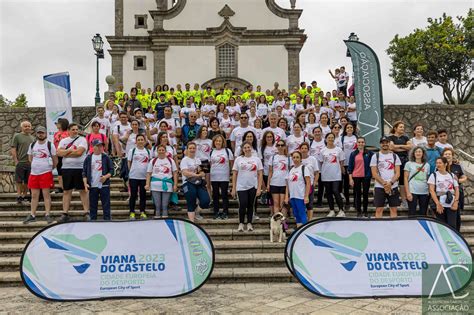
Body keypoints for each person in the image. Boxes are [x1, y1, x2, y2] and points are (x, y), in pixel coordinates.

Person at [23, 126, 57, 224]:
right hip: (34, 173)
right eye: (39, 133)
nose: (40, 134)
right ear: (36, 134)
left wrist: (49, 168)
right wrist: (36, 166)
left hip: (45, 173)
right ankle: (32, 215)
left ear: (45, 134)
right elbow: (30, 158)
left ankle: (47, 214)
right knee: (34, 195)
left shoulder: (50, 145)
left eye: (42, 133)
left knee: (46, 195)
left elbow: (55, 160)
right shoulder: (32, 144)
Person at [57, 123, 90, 222]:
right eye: (73, 129)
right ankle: (65, 213)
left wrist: (66, 153)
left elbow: (79, 153)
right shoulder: (63, 140)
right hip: (66, 168)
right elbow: (58, 153)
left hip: (80, 168)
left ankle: (86, 212)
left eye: (76, 129)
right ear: (68, 130)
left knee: (83, 191)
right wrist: (70, 151)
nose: (75, 131)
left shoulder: (82, 140)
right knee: (67, 191)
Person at [232, 141, 263, 232]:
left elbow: (260, 174)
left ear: (251, 148)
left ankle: (249, 223)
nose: (247, 149)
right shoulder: (238, 159)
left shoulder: (257, 159)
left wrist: (259, 188)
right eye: (245, 147)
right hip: (241, 186)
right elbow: (234, 174)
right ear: (242, 149)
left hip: (253, 186)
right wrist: (234, 188)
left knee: (250, 205)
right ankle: (241, 223)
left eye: (248, 147)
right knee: (243, 204)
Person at [370, 136, 402, 218]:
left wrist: (390, 183)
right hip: (379, 187)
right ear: (380, 144)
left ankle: (393, 229)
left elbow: (397, 173)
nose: (385, 144)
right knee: (379, 210)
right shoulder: (375, 156)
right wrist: (385, 184)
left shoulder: (395, 156)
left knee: (393, 209)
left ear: (389, 143)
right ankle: (379, 229)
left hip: (393, 186)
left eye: (386, 142)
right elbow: (374, 173)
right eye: (383, 143)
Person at [82, 139, 112, 221]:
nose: (99, 147)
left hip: (104, 185)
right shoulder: (88, 158)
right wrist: (85, 184)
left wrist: (105, 177)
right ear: (93, 146)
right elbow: (84, 172)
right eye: (97, 146)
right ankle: (93, 222)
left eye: (101, 146)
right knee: (93, 206)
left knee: (106, 205)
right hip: (92, 186)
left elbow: (112, 170)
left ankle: (107, 221)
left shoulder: (106, 157)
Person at [145, 144, 178, 218]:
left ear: (166, 151)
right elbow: (149, 173)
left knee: (165, 205)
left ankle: (165, 219)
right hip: (155, 185)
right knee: (157, 205)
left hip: (167, 184)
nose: (161, 151)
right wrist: (147, 184)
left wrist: (175, 184)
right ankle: (157, 220)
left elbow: (175, 173)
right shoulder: (153, 161)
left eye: (163, 150)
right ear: (157, 151)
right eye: (159, 150)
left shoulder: (170, 160)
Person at [180, 142, 210, 222]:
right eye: (190, 148)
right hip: (188, 183)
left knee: (206, 201)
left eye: (193, 148)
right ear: (187, 149)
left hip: (198, 183)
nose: (192, 150)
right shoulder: (184, 160)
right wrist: (196, 175)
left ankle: (196, 212)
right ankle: (192, 222)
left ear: (196, 149)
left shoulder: (198, 160)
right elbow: (185, 173)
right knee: (191, 202)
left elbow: (201, 171)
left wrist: (202, 173)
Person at [428, 157, 460, 230]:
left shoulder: (452, 175)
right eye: (437, 163)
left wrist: (456, 202)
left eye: (440, 163)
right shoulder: (433, 175)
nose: (438, 165)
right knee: (441, 226)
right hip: (440, 203)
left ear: (445, 164)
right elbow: (431, 190)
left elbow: (457, 189)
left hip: (451, 203)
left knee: (452, 226)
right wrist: (437, 204)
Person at [319, 133, 345, 217]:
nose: (330, 139)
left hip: (336, 174)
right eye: (329, 137)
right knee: (329, 192)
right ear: (326, 139)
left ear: (334, 139)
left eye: (332, 137)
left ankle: (341, 210)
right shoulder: (322, 151)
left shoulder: (339, 150)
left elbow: (341, 162)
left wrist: (342, 171)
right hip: (326, 174)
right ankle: (332, 210)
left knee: (335, 191)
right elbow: (321, 162)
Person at [209, 134, 234, 219]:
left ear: (223, 141)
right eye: (216, 141)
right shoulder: (211, 151)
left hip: (224, 177)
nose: (218, 142)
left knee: (224, 195)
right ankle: (216, 212)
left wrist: (231, 173)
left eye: (220, 141)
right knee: (215, 195)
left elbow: (232, 164)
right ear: (214, 142)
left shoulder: (227, 151)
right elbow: (210, 164)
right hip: (214, 177)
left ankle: (225, 212)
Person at [388, 121, 412, 207]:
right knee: (392, 180)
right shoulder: (390, 137)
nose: (403, 128)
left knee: (402, 181)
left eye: (403, 127)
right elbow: (391, 147)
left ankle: (403, 200)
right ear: (395, 128)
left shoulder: (406, 137)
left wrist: (396, 147)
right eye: (401, 127)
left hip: (404, 161)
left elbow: (410, 147)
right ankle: (390, 200)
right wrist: (403, 147)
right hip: (393, 161)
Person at [348, 137, 373, 217]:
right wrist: (350, 179)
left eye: (362, 142)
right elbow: (350, 167)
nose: (360, 144)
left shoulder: (369, 153)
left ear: (364, 143)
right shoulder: (353, 154)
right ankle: (359, 211)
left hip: (366, 176)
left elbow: (376, 160)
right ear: (357, 143)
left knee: (365, 194)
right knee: (357, 194)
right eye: (359, 142)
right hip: (356, 176)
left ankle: (365, 211)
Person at [285, 151, 311, 228]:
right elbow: (287, 184)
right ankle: (299, 229)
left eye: (297, 157)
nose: (295, 159)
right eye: (294, 157)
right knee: (296, 214)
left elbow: (308, 183)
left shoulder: (304, 168)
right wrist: (287, 196)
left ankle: (305, 230)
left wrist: (306, 196)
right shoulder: (291, 170)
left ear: (300, 159)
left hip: (300, 196)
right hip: (293, 196)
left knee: (302, 213)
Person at [127, 134, 150, 220]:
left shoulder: (148, 151)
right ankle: (132, 212)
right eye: (139, 140)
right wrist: (131, 172)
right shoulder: (132, 151)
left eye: (142, 140)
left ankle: (142, 212)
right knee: (133, 195)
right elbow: (129, 163)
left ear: (144, 141)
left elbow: (150, 164)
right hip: (133, 177)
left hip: (144, 177)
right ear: (136, 141)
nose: (140, 141)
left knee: (143, 195)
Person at [11, 120, 34, 204]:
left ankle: (24, 195)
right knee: (19, 180)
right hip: (20, 162)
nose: (27, 127)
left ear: (31, 127)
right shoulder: (17, 136)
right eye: (25, 126)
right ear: (22, 127)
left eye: (29, 126)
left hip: (30, 163)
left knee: (28, 181)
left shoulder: (32, 138)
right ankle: (19, 196)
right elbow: (13, 149)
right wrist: (16, 160)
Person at [443, 148, 467, 231]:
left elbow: (464, 177)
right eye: (446, 154)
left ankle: (457, 234)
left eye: (449, 154)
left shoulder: (458, 166)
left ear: (452, 156)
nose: (447, 155)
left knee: (456, 216)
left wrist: (457, 181)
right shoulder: (440, 166)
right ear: (443, 156)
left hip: (457, 193)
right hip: (445, 195)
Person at [404, 146, 430, 216]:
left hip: (424, 191)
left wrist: (429, 191)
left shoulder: (427, 165)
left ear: (423, 154)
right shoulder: (408, 164)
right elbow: (405, 178)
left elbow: (427, 179)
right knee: (412, 212)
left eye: (420, 152)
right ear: (413, 153)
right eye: (416, 152)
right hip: (412, 191)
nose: (418, 153)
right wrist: (408, 192)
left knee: (423, 212)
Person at [267, 139, 289, 217]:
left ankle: (283, 223)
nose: (280, 147)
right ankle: (277, 222)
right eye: (278, 145)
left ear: (285, 147)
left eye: (282, 145)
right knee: (276, 203)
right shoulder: (273, 158)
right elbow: (270, 172)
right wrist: (268, 184)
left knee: (282, 204)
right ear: (276, 146)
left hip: (284, 183)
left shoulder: (288, 158)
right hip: (274, 183)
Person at [112, 112, 132, 192]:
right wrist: (118, 152)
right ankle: (126, 186)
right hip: (122, 151)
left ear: (127, 118)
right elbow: (115, 140)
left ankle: (130, 187)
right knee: (123, 170)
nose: (123, 118)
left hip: (131, 151)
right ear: (119, 118)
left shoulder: (131, 125)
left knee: (130, 170)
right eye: (122, 117)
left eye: (125, 117)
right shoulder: (117, 127)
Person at [299, 142, 319, 220]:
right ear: (300, 149)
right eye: (302, 148)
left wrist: (314, 182)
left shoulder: (312, 159)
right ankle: (302, 220)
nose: (304, 150)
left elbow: (317, 173)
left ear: (308, 150)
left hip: (309, 185)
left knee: (309, 204)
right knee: (301, 204)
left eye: (305, 148)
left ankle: (309, 220)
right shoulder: (297, 158)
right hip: (299, 185)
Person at [341, 123, 357, 210]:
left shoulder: (356, 138)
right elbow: (341, 151)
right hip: (346, 163)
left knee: (356, 184)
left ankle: (355, 202)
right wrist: (342, 164)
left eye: (351, 127)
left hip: (356, 164)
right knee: (346, 184)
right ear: (345, 129)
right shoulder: (342, 138)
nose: (349, 129)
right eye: (348, 127)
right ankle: (347, 202)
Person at [194, 126, 213, 199]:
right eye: (203, 130)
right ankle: (198, 201)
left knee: (208, 183)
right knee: (198, 183)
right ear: (200, 131)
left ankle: (210, 199)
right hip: (197, 163)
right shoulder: (195, 141)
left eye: (206, 130)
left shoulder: (210, 141)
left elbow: (212, 153)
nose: (205, 131)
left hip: (206, 163)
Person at [53, 118, 69, 194]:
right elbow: (54, 144)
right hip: (58, 155)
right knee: (59, 172)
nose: (56, 124)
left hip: (66, 155)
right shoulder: (56, 134)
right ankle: (61, 187)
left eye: (58, 123)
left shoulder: (68, 133)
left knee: (66, 172)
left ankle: (67, 187)